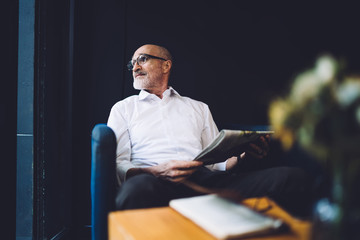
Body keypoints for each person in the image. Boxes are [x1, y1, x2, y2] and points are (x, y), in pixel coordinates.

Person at [107, 44, 312, 216]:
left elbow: (218, 164)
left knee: (292, 178)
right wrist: (155, 172)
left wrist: (243, 157)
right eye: (132, 63)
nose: (135, 67)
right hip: (154, 182)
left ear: (165, 65)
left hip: (206, 181)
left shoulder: (198, 107)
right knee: (134, 191)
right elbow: (117, 164)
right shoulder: (123, 109)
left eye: (142, 59)